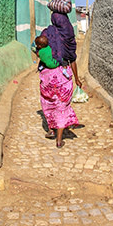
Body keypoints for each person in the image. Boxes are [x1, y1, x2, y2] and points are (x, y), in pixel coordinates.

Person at [38, 12, 81, 148]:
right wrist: (77, 79)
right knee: (62, 106)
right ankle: (59, 139)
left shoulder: (46, 32)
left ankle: (51, 129)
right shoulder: (68, 36)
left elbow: (37, 47)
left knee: (49, 102)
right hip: (63, 75)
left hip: (48, 77)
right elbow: (72, 60)